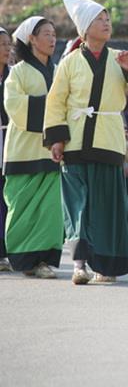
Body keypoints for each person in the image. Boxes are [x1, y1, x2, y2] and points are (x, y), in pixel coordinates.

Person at [44, 0, 128, 284]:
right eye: (99, 20)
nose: (106, 24)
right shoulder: (68, 63)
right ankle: (79, 264)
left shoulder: (120, 58)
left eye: (108, 19)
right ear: (84, 28)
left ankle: (106, 265)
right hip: (75, 142)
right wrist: (56, 139)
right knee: (77, 204)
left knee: (106, 205)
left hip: (108, 141)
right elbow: (56, 102)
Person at [2, 17, 64, 278]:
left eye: (54, 34)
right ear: (31, 39)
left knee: (50, 209)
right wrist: (52, 106)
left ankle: (44, 260)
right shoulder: (17, 72)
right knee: (22, 207)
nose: (52, 39)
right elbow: (14, 105)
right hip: (23, 149)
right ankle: (24, 259)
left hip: (52, 150)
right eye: (46, 34)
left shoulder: (59, 69)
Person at [0, 27, 12, 272]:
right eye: (2, 44)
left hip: (10, 139)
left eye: (9, 44)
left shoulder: (13, 76)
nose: (7, 49)